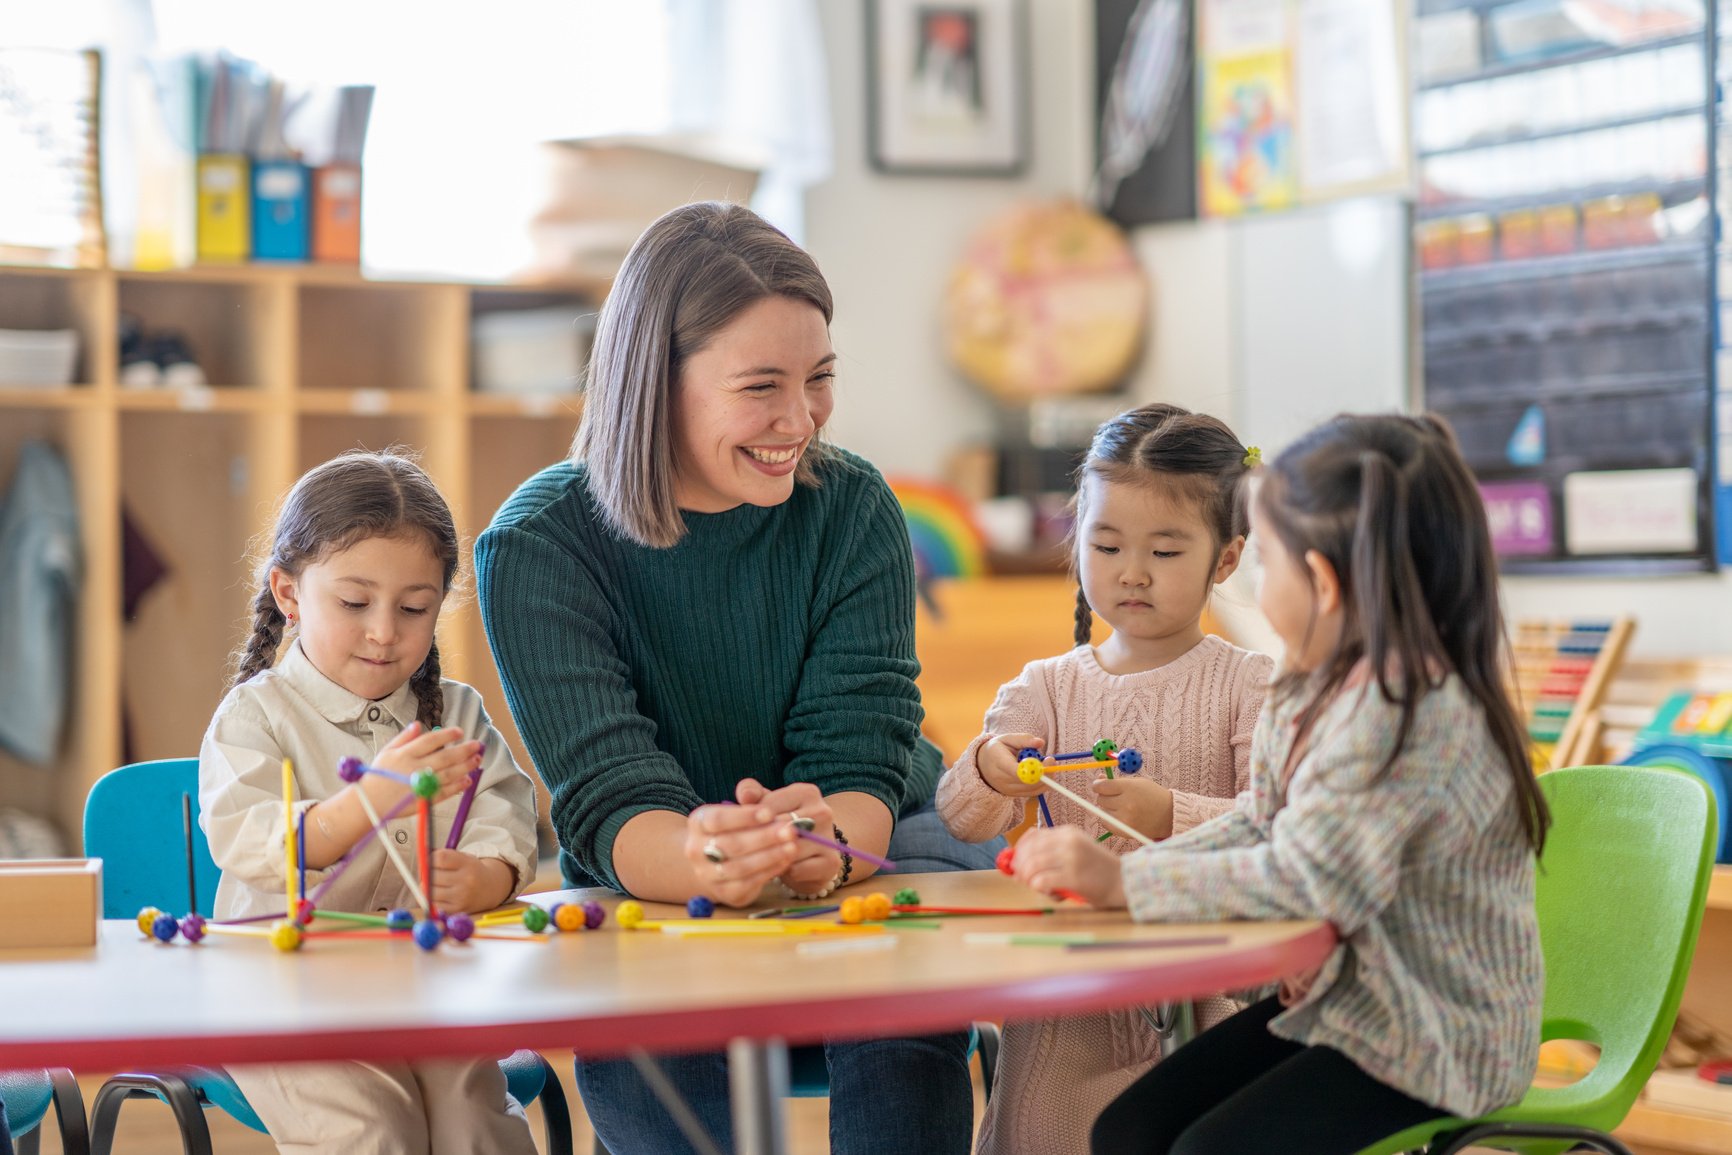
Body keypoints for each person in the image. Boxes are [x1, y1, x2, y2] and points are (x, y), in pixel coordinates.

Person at [475, 201, 996, 1155]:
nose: (799, 420)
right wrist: (714, 859)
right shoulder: (538, 544)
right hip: (657, 874)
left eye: (821, 379)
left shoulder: (852, 509)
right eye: (762, 386)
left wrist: (828, 847)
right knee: (655, 1045)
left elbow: (864, 751)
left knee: (900, 1000)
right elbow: (610, 795)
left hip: (864, 839)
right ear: (653, 382)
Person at [1010, 414, 1549, 1155]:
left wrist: (1126, 887)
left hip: (1433, 1040)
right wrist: (1129, 872)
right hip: (1350, 1011)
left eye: (1270, 560)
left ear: (1321, 582)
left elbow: (1310, 880)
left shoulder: (1410, 715)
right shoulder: (1312, 683)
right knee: (1127, 1130)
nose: (1257, 580)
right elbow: (1264, 823)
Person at [937, 403, 1273, 1154]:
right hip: (1066, 1018)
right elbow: (962, 817)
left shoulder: (1249, 682)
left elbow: (1276, 825)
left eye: (1165, 550)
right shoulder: (1046, 686)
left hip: (1206, 1007)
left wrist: (1169, 813)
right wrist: (993, 769)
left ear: (1225, 560)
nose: (1131, 572)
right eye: (1108, 542)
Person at [200, 451, 540, 1155]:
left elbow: (504, 816)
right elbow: (253, 839)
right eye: (354, 603)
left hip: (420, 982)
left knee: (475, 1120)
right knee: (373, 1129)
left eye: (414, 608)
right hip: (277, 993)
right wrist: (372, 797)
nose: (385, 631)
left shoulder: (457, 714)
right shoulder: (254, 715)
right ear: (290, 594)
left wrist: (487, 875)